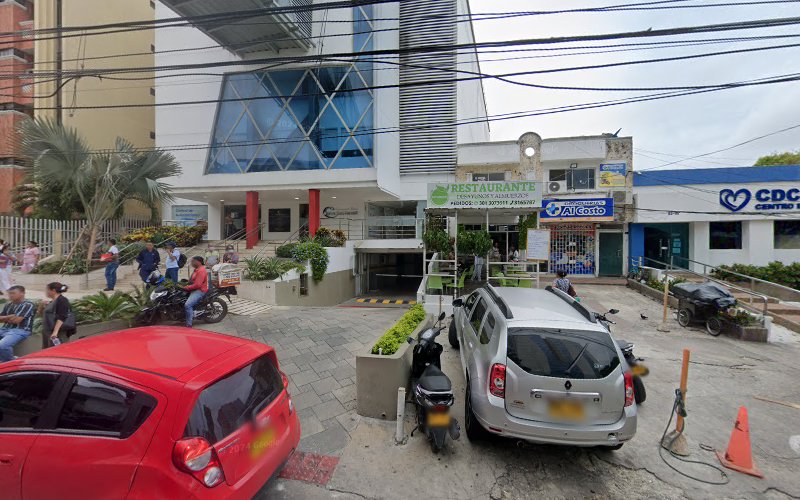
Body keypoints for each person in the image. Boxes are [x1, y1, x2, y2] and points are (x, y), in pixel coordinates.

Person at [0, 286, 35, 362]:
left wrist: (5, 318)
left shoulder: (28, 304)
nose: (10, 295)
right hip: (5, 329)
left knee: (3, 345)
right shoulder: (8, 305)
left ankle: (10, 364)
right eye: (9, 293)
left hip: (20, 330)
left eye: (13, 293)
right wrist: (9, 317)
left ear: (22, 293)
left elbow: (17, 321)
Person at [42, 282, 75, 348]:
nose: (46, 292)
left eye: (47, 290)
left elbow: (62, 316)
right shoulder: (53, 301)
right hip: (48, 332)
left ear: (53, 291)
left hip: (58, 333)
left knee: (58, 351)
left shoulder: (62, 300)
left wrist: (55, 332)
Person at [181, 256, 208, 328]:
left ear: (198, 262)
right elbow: (191, 280)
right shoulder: (196, 269)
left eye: (193, 261)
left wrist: (187, 287)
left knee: (188, 305)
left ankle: (189, 324)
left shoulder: (201, 270)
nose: (191, 263)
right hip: (193, 288)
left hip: (199, 290)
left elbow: (198, 285)